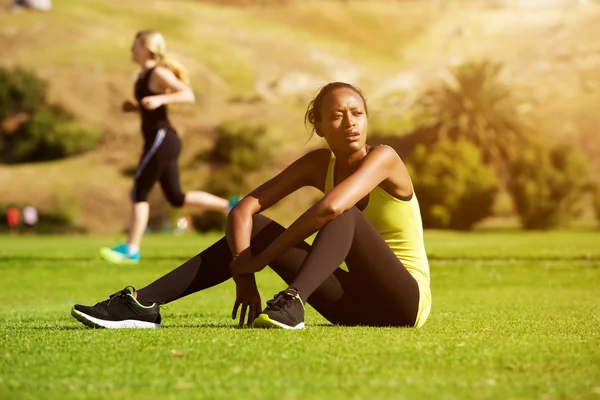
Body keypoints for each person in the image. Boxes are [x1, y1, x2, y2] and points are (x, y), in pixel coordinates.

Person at [72, 82, 432, 330]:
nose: (350, 123)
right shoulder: (317, 164)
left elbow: (330, 210)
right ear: (318, 124)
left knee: (342, 213)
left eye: (357, 113)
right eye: (337, 115)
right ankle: (141, 304)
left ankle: (292, 303)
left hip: (405, 303)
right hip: (353, 306)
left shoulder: (385, 158)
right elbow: (243, 210)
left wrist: (263, 259)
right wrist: (244, 275)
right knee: (257, 229)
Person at [100, 30, 237, 265]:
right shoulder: (142, 76)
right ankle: (229, 206)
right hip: (160, 140)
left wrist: (161, 99)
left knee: (139, 189)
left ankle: (131, 249)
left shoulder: (158, 73)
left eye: (134, 45)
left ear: (147, 49)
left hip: (162, 139)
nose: (131, 50)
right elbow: (150, 105)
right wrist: (134, 108)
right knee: (176, 197)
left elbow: (187, 94)